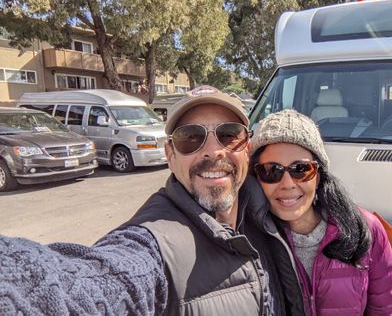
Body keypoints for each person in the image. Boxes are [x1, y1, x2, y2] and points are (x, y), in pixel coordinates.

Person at [0, 86, 303, 315]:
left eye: (229, 135)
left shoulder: (269, 205)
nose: (214, 151)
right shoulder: (154, 242)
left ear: (246, 148)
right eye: (191, 138)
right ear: (170, 155)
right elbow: (96, 283)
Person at [250, 109, 392, 316]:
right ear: (256, 177)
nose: (287, 184)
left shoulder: (366, 229)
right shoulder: (249, 240)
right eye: (271, 171)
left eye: (300, 169)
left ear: (318, 176)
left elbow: (384, 311)